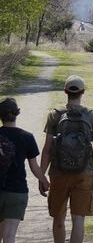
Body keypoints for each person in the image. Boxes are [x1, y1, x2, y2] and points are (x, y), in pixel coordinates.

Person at [40, 75, 93, 243]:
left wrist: (42, 176)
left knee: (58, 219)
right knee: (78, 220)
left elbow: (47, 149)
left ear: (65, 91)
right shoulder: (92, 116)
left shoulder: (54, 115)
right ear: (82, 93)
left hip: (58, 173)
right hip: (84, 173)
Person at [0, 98, 49, 243]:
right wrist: (44, 181)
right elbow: (34, 167)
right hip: (17, 192)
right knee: (9, 235)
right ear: (17, 113)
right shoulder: (26, 137)